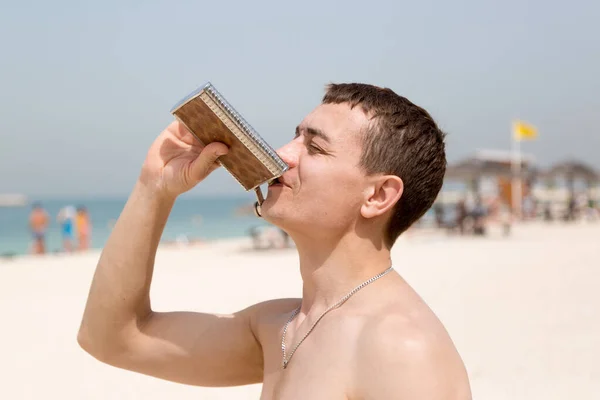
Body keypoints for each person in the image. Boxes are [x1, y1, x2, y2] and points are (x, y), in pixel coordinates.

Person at [78, 83, 472, 399]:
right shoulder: (280, 328)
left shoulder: (400, 347)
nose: (282, 154)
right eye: (294, 137)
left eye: (314, 147)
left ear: (378, 196)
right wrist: (155, 187)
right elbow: (112, 338)